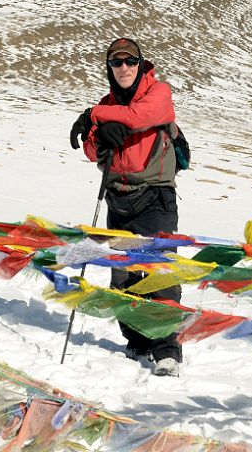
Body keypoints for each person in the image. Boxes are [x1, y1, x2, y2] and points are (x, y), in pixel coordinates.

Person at [69, 37, 184, 376]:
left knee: (158, 272)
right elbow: (92, 153)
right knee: (123, 274)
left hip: (155, 197)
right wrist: (99, 136)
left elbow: (140, 116)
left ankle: (167, 350)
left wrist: (93, 115)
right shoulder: (107, 104)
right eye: (116, 63)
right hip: (118, 198)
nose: (124, 68)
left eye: (130, 62)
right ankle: (137, 340)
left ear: (140, 64)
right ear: (109, 68)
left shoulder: (158, 92)